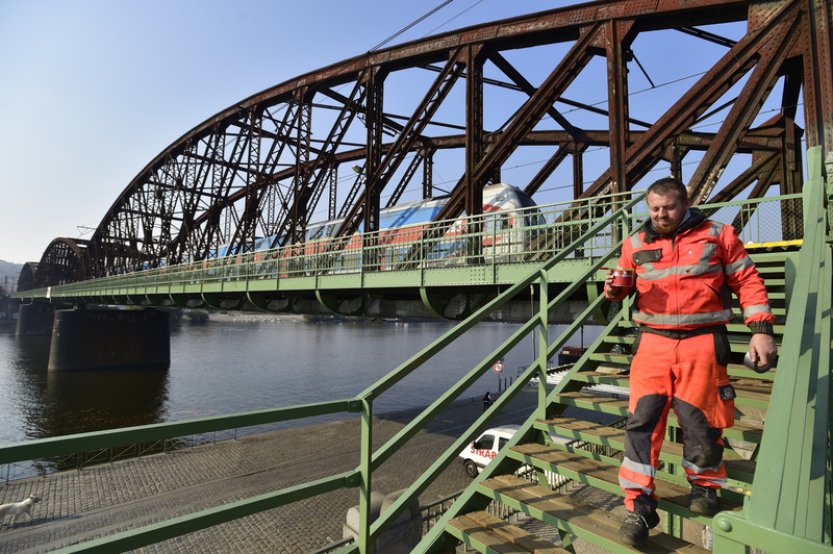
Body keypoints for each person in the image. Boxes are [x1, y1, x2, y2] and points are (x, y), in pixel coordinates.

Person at [604, 177, 777, 546]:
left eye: (668, 207)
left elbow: (747, 281)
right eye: (654, 209)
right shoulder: (634, 243)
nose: (660, 215)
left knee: (703, 421)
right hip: (652, 343)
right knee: (641, 423)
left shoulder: (719, 235)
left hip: (702, 343)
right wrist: (613, 288)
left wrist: (761, 329)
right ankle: (638, 507)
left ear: (685, 204)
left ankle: (705, 487)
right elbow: (620, 285)